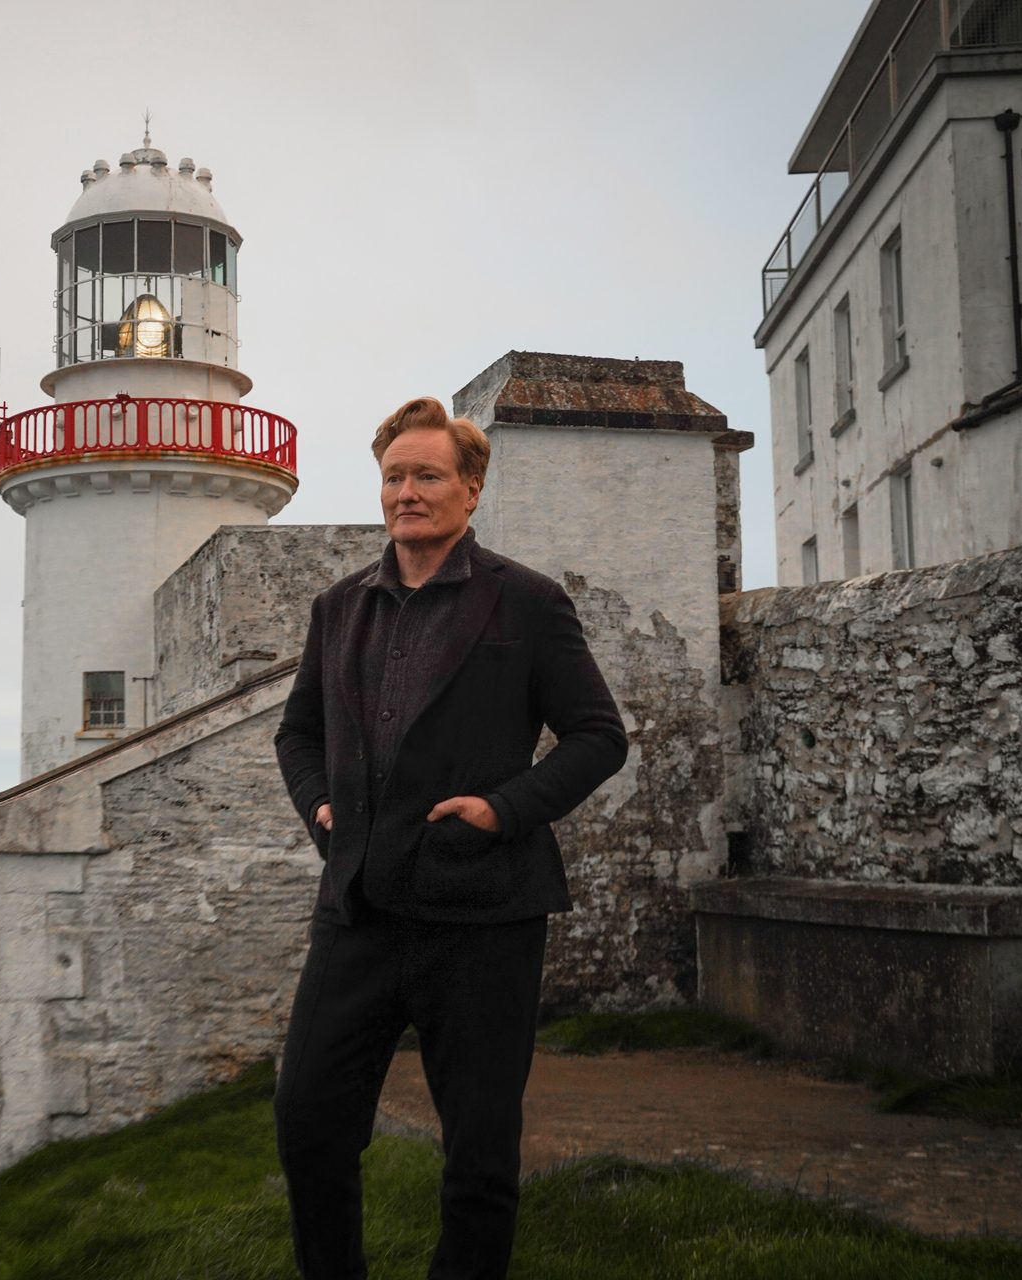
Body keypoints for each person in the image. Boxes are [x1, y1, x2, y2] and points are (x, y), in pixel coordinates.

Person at [272, 396, 629, 1279]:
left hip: (482, 917)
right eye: (393, 476)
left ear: (471, 490)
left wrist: (504, 810)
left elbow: (597, 736)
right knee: (308, 1120)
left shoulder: (531, 604)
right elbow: (298, 733)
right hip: (356, 909)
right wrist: (320, 804)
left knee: (479, 1155)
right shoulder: (338, 608)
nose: (407, 492)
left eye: (427, 475)